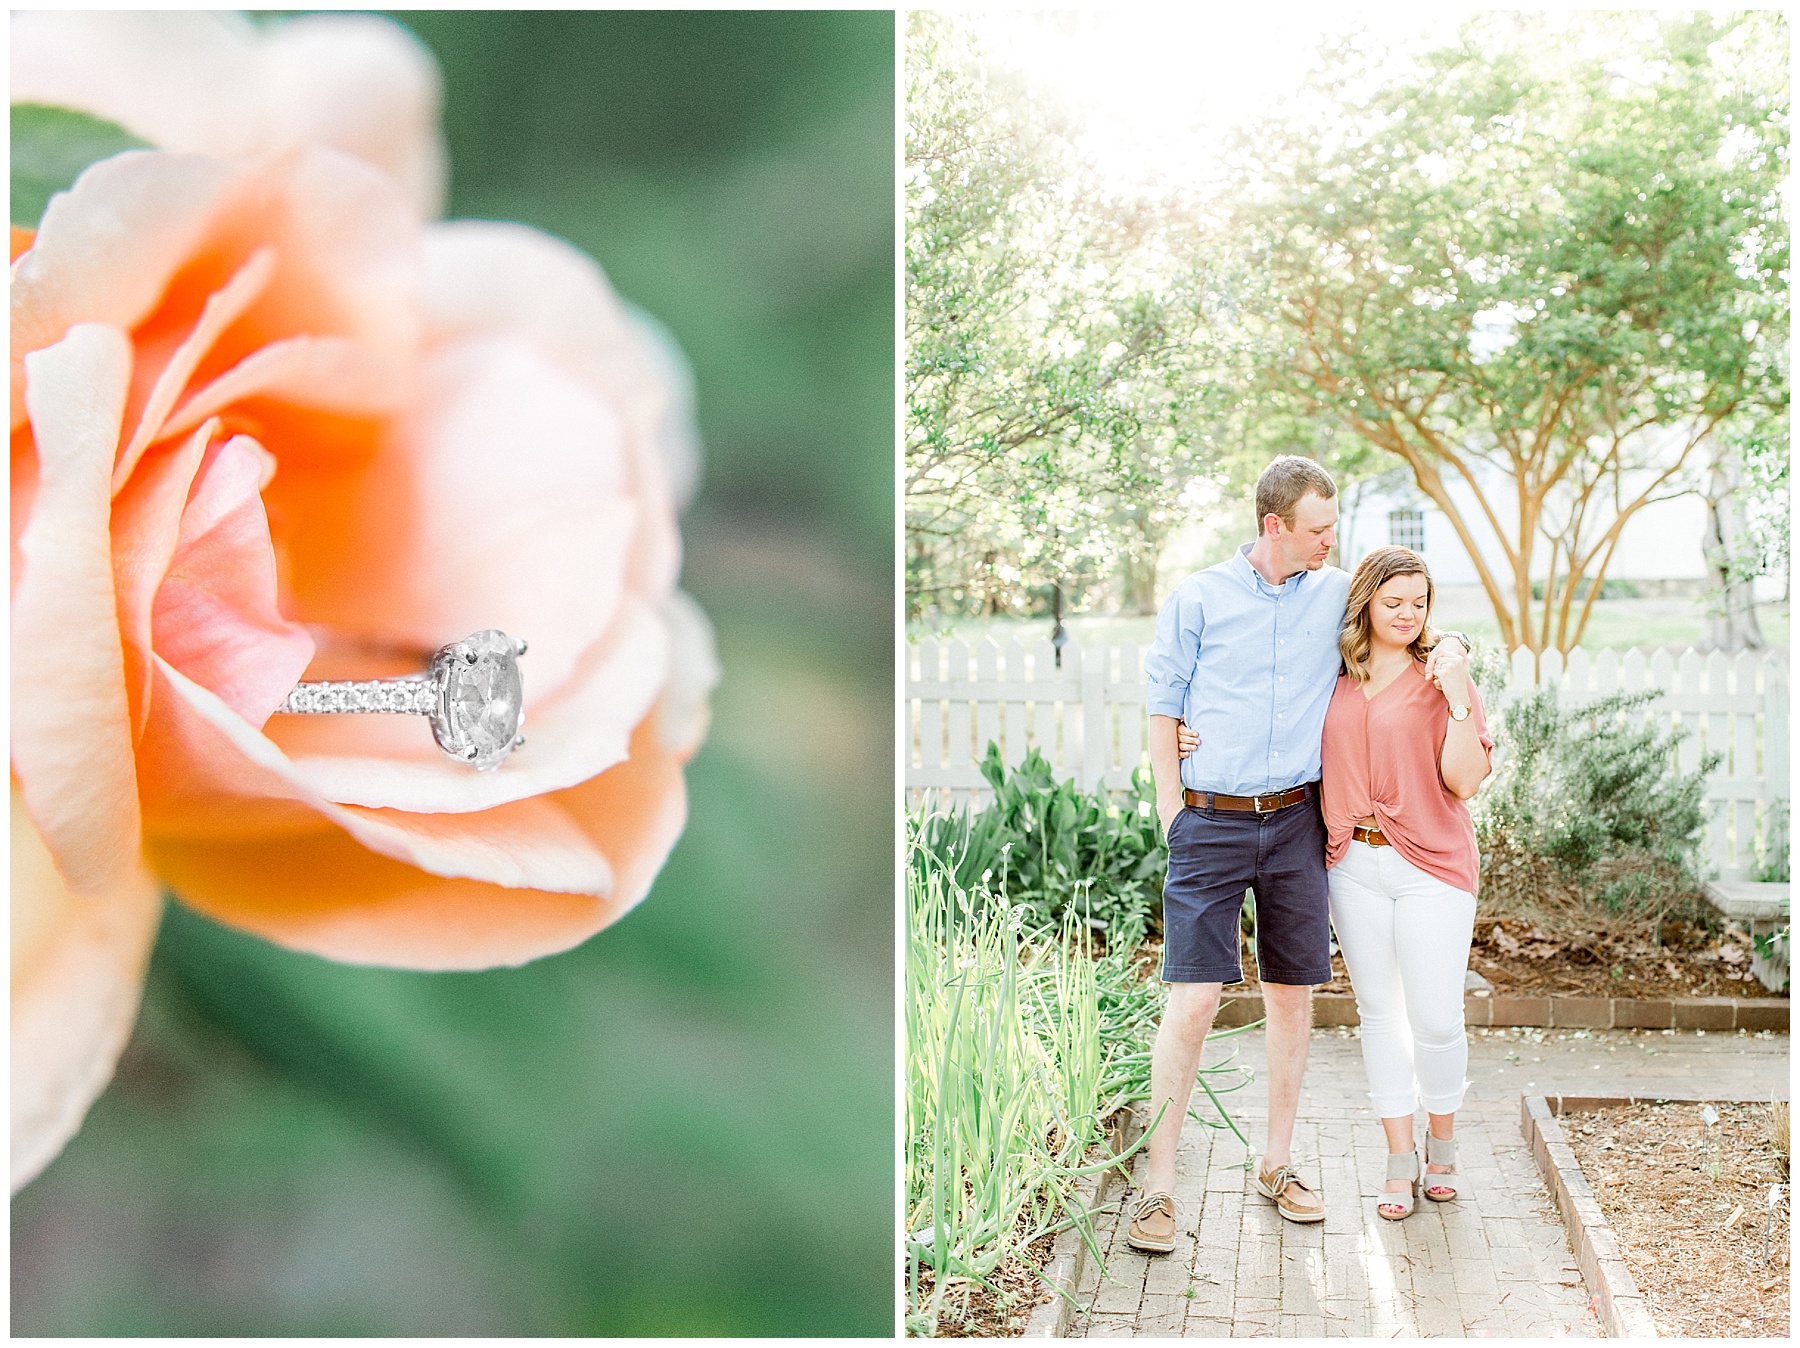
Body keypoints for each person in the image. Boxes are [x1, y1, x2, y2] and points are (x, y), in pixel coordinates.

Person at [1128, 457, 1465, 1253]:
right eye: (1318, 527)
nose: (1331, 539)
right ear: (1275, 525)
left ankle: (1277, 1165)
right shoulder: (1199, 598)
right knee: (1196, 1001)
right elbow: (1162, 703)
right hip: (1208, 823)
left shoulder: (1339, 593)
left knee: (1291, 997)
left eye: (1334, 525)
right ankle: (1158, 1186)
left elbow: (1402, 622)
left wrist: (1453, 657)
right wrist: (1172, 809)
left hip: (1297, 825)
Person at [1318, 546, 1492, 1219]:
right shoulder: (1332, 673)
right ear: (1365, 601)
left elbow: (1465, 780)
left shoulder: (1440, 673)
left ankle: (1441, 1148)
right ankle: (1398, 1159)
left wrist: (1453, 694)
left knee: (1435, 1017)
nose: (1407, 614)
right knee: (1380, 1017)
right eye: (1393, 602)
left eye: (1418, 603)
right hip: (1351, 865)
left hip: (1433, 866)